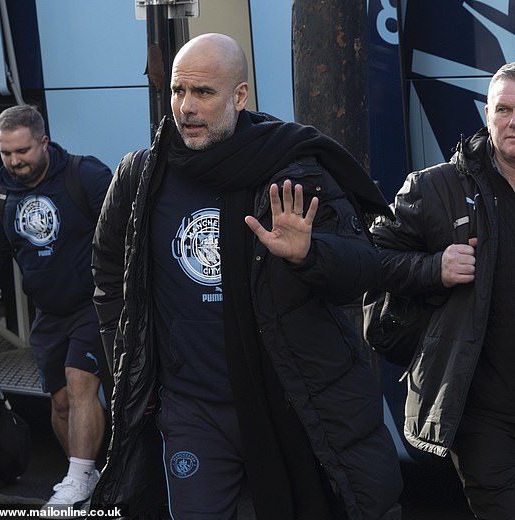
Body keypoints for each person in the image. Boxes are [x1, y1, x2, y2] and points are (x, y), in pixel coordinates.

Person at [92, 33, 402, 520]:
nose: (186, 107)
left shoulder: (292, 168)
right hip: (189, 410)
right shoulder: (141, 176)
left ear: (240, 95)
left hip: (286, 403)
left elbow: (364, 270)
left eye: (203, 93)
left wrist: (309, 254)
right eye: (178, 91)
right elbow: (110, 274)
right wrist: (130, 364)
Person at [369, 62, 515, 519]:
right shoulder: (438, 188)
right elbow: (371, 258)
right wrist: (436, 268)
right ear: (486, 114)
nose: (513, 122)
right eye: (504, 109)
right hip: (480, 409)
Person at [0, 104, 112, 509]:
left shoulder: (84, 175)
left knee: (80, 379)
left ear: (44, 142)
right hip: (48, 311)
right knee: (61, 401)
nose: (15, 162)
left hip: (94, 303)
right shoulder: (2, 196)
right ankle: (84, 478)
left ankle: (76, 479)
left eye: (23, 151)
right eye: (6, 153)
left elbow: (127, 229)